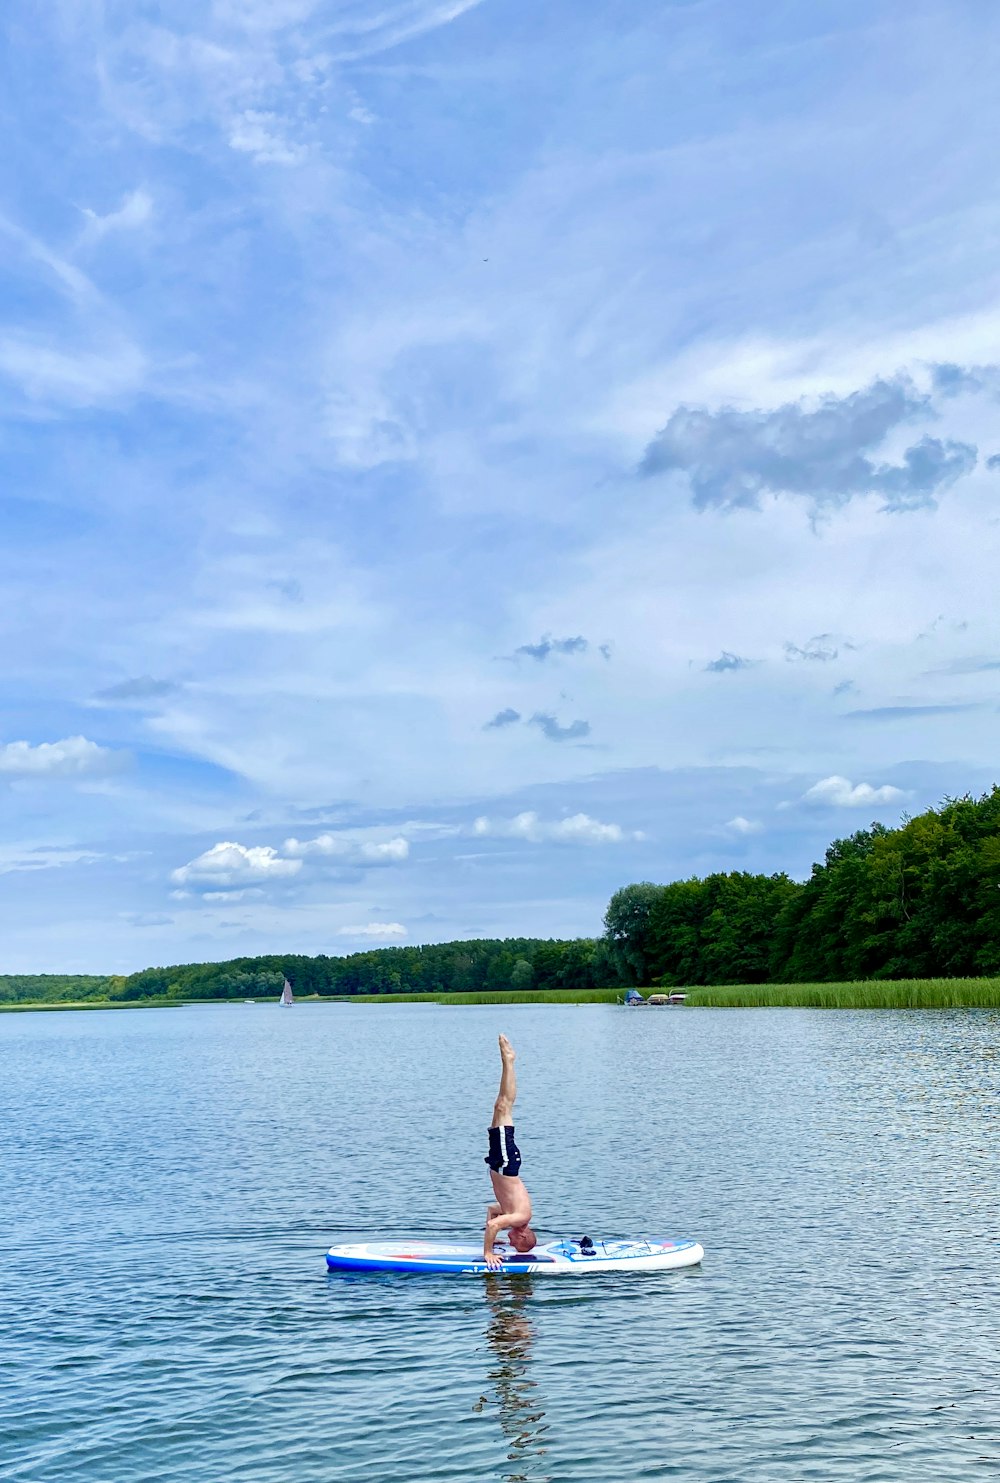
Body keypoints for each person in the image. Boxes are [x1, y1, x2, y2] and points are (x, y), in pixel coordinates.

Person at [483, 1034, 536, 1268]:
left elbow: (492, 1213)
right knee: (505, 1105)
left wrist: (493, 1243)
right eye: (515, 1243)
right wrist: (488, 1253)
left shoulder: (513, 1215)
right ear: (523, 1236)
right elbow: (493, 1225)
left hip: (501, 1163)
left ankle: (508, 1061)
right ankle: (509, 1061)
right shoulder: (520, 1218)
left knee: (499, 1105)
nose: (511, 1242)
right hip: (506, 1163)